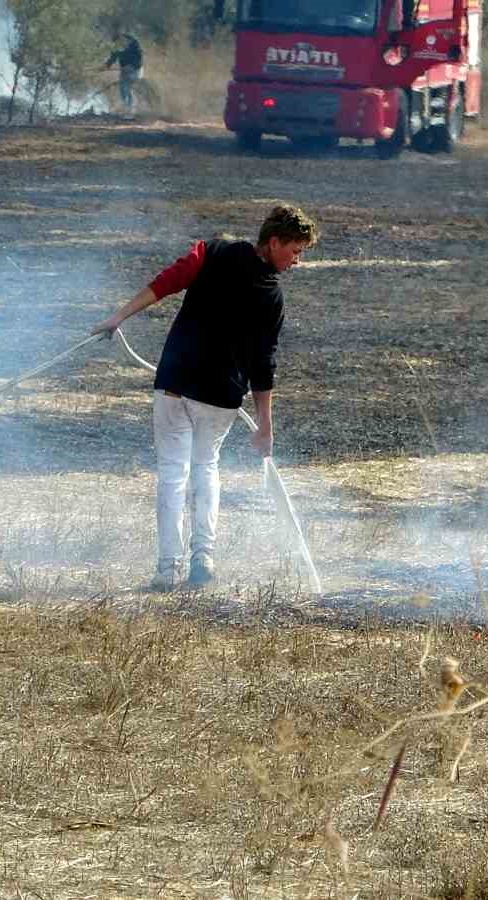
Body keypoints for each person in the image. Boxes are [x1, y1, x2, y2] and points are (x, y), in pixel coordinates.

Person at [92, 205, 318, 591]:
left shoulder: (212, 251)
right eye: (295, 250)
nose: (296, 260)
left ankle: (167, 568)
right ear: (274, 241)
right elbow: (264, 366)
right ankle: (203, 555)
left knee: (172, 473)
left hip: (175, 384)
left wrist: (119, 316)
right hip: (220, 395)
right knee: (205, 468)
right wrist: (265, 425)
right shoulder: (272, 297)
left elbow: (167, 282)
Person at [104, 33, 144, 113]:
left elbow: (140, 57)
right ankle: (127, 107)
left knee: (125, 87)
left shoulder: (134, 43)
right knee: (123, 88)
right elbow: (112, 58)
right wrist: (105, 66)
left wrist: (131, 66)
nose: (118, 44)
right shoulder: (117, 47)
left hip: (136, 70)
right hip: (125, 72)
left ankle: (130, 108)